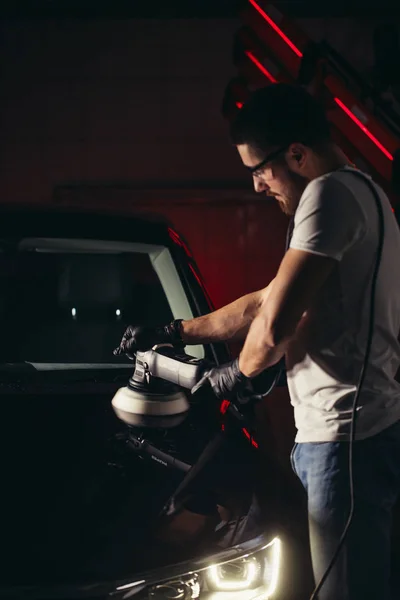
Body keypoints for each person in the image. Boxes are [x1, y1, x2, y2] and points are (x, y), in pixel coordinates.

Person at [114, 83, 400, 599]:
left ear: (296, 153)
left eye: (259, 170)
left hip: (345, 442)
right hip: (348, 436)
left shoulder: (326, 195)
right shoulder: (364, 193)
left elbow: (271, 329)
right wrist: (176, 331)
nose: (257, 187)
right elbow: (262, 303)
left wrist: (234, 376)